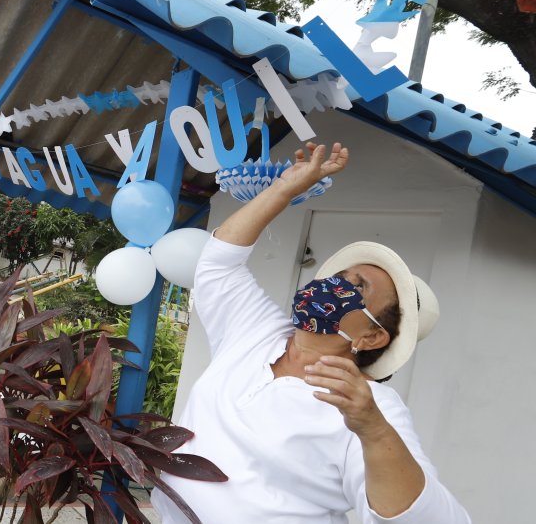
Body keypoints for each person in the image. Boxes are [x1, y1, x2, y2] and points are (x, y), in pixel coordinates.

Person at [151, 143, 470, 523]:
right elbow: (218, 261)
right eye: (338, 278)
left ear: (371, 337)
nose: (334, 286)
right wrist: (284, 189)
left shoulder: (370, 407)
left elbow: (426, 518)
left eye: (358, 287)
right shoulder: (258, 331)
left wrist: (373, 430)